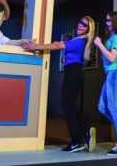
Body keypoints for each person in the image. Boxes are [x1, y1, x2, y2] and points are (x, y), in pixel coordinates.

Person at [22, 16, 97, 153]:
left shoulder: (80, 41)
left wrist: (35, 47)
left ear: (88, 30)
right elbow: (59, 43)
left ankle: (76, 141)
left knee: (67, 106)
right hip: (74, 73)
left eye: (85, 25)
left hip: (73, 73)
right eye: (80, 22)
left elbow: (57, 45)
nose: (81, 26)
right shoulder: (77, 40)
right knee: (70, 106)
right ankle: (83, 134)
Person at [93, 11, 117, 156]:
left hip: (115, 74)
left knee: (113, 107)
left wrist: (99, 44)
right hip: (110, 74)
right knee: (102, 107)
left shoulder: (116, 38)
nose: (107, 23)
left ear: (115, 22)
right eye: (106, 20)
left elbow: (111, 57)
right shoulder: (113, 38)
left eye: (110, 21)